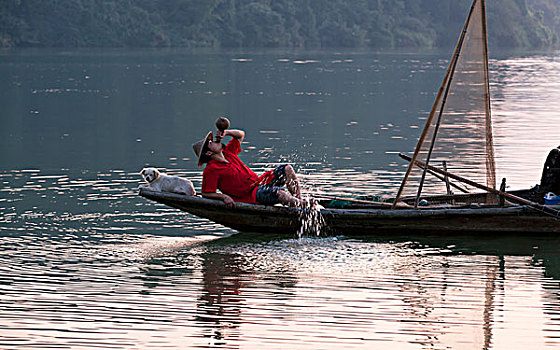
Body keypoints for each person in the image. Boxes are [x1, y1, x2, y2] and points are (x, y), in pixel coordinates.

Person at [192, 125, 304, 208]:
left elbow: (240, 135)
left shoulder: (228, 153)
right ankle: (301, 205)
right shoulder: (211, 170)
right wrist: (224, 197)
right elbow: (206, 193)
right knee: (279, 193)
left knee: (287, 169)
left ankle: (299, 201)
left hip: (260, 182)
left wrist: (226, 132)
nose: (215, 142)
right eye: (211, 143)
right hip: (252, 196)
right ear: (209, 153)